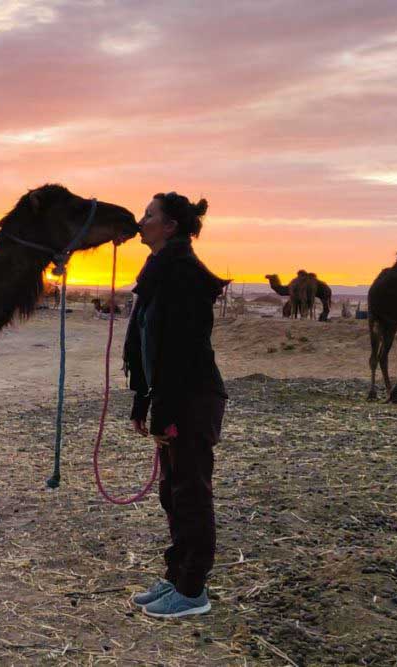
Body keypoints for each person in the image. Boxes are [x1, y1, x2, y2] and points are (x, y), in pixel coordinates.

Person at [123, 192, 229, 619]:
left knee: (190, 492)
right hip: (174, 398)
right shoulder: (161, 272)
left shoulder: (181, 276)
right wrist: (142, 401)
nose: (140, 221)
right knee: (172, 491)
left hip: (192, 398)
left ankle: (192, 589)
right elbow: (149, 344)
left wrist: (163, 412)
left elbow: (180, 352)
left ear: (169, 228)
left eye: (148, 216)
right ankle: (176, 575)